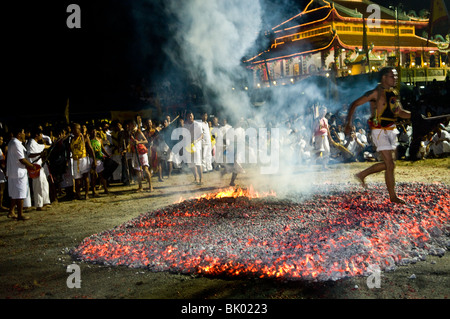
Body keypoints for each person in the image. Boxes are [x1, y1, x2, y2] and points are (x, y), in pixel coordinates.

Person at [344, 67, 411, 204]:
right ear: (384, 78)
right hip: (379, 130)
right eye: (392, 76)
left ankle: (362, 174)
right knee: (390, 164)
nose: (395, 78)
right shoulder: (375, 93)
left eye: (396, 76)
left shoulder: (393, 93)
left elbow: (399, 112)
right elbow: (354, 104)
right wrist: (348, 124)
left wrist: (414, 115)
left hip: (391, 129)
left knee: (390, 164)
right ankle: (393, 197)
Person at [6, 126, 36, 220]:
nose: (25, 134)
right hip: (18, 172)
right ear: (19, 134)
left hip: (13, 172)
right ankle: (20, 214)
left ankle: (11, 211)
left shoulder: (13, 142)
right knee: (20, 194)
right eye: (23, 132)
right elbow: (22, 159)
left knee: (14, 193)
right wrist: (31, 166)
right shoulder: (16, 143)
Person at [27, 127, 52, 211]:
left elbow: (44, 146)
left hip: (40, 166)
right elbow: (30, 155)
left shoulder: (35, 143)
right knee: (38, 186)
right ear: (37, 135)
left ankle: (45, 202)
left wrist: (51, 146)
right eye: (41, 134)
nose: (42, 136)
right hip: (34, 167)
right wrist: (40, 154)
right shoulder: (31, 143)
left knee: (44, 184)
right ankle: (38, 205)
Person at [71, 123, 95, 200]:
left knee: (86, 177)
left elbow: (90, 149)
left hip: (83, 159)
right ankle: (78, 194)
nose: (74, 131)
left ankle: (86, 194)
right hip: (75, 160)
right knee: (77, 179)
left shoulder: (84, 137)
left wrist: (94, 160)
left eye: (76, 129)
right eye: (73, 129)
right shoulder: (72, 139)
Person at [127, 120, 153, 192]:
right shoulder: (130, 133)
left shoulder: (138, 131)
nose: (129, 127)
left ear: (133, 125)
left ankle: (150, 186)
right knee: (137, 170)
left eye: (130, 125)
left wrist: (138, 142)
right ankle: (140, 187)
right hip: (135, 153)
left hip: (142, 152)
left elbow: (146, 141)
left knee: (145, 169)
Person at [184, 111, 203, 184]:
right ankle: (196, 178)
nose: (190, 118)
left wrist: (196, 140)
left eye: (191, 116)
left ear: (193, 116)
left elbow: (202, 135)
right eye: (188, 116)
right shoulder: (185, 126)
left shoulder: (198, 124)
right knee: (191, 164)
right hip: (188, 146)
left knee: (198, 163)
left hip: (196, 146)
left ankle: (201, 179)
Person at [89, 127, 110, 196]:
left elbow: (102, 149)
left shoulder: (99, 140)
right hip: (91, 159)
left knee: (102, 175)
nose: (94, 133)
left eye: (95, 131)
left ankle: (106, 189)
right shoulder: (88, 140)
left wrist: (107, 155)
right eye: (92, 132)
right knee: (93, 176)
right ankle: (94, 191)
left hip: (99, 159)